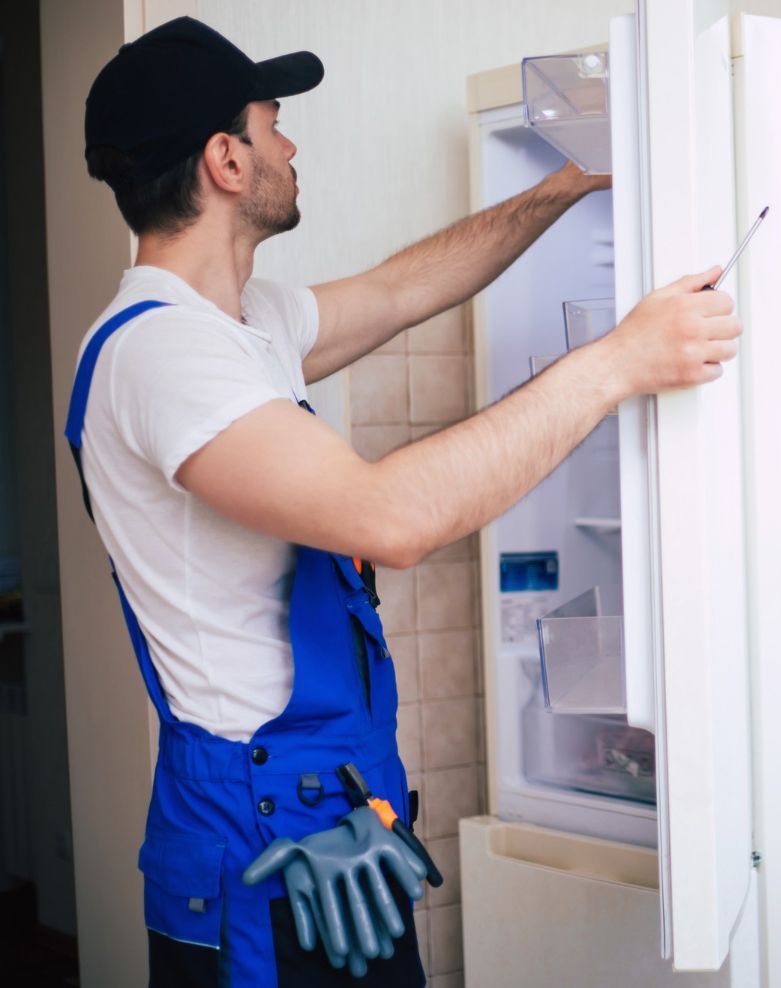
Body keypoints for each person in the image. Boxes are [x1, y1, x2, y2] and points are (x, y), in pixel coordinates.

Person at [69, 16, 739, 987]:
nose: (290, 144)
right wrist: (619, 361)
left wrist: (567, 183)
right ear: (225, 158)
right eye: (273, 122)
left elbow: (398, 290)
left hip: (333, 816)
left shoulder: (242, 322)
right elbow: (390, 519)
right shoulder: (161, 351)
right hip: (254, 852)